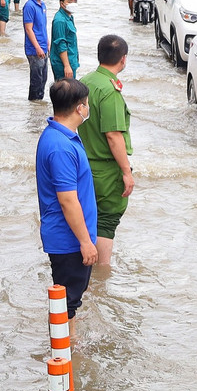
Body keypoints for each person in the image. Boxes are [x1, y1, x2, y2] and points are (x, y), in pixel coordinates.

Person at [35, 78, 98, 319]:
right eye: (86, 104)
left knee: (69, 299)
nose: (87, 108)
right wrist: (85, 242)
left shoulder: (60, 136)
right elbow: (67, 200)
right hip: (69, 239)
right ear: (79, 108)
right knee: (66, 303)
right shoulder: (61, 146)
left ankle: (70, 346)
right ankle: (64, 352)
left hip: (70, 237)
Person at [77, 35, 134, 268]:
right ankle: (102, 277)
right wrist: (126, 172)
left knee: (87, 219)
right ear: (123, 59)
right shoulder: (110, 91)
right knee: (106, 222)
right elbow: (113, 135)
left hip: (82, 164)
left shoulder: (84, 81)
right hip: (105, 170)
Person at [23, 0, 50, 101]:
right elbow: (29, 29)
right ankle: (33, 104)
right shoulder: (29, 6)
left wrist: (47, 43)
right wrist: (37, 47)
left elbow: (42, 26)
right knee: (36, 80)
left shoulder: (42, 5)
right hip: (34, 49)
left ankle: (38, 106)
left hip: (44, 47)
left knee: (43, 79)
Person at [50, 0, 79, 80]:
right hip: (62, 63)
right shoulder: (60, 20)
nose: (72, 5)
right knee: (64, 91)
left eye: (74, 2)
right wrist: (66, 66)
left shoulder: (69, 16)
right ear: (61, 3)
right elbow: (61, 44)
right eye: (69, 2)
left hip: (71, 60)